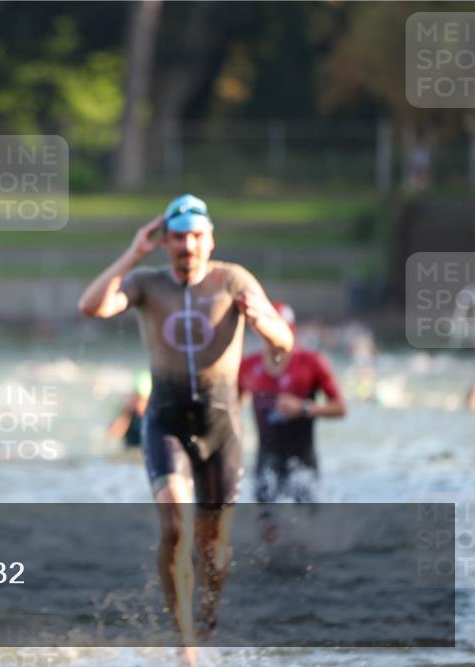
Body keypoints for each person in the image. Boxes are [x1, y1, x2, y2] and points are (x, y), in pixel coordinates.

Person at [78, 194, 293, 666]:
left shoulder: (232, 279)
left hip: (221, 428)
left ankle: (209, 615)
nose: (187, 245)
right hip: (166, 424)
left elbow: (284, 340)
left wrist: (265, 327)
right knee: (175, 522)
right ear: (166, 242)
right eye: (178, 237)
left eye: (196, 236)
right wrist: (133, 252)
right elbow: (92, 306)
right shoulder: (147, 283)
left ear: (210, 239)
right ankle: (186, 641)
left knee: (214, 547)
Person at [238, 303, 346, 536]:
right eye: (269, 333)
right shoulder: (248, 366)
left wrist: (304, 407)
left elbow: (340, 408)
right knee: (266, 532)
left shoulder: (311, 363)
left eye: (280, 332)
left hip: (303, 461)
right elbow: (230, 406)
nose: (274, 341)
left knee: (309, 533)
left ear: (291, 332)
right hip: (266, 461)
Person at [107, 371, 151, 449]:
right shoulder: (128, 414)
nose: (139, 403)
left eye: (143, 399)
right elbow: (111, 436)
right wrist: (126, 413)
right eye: (137, 398)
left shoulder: (155, 417)